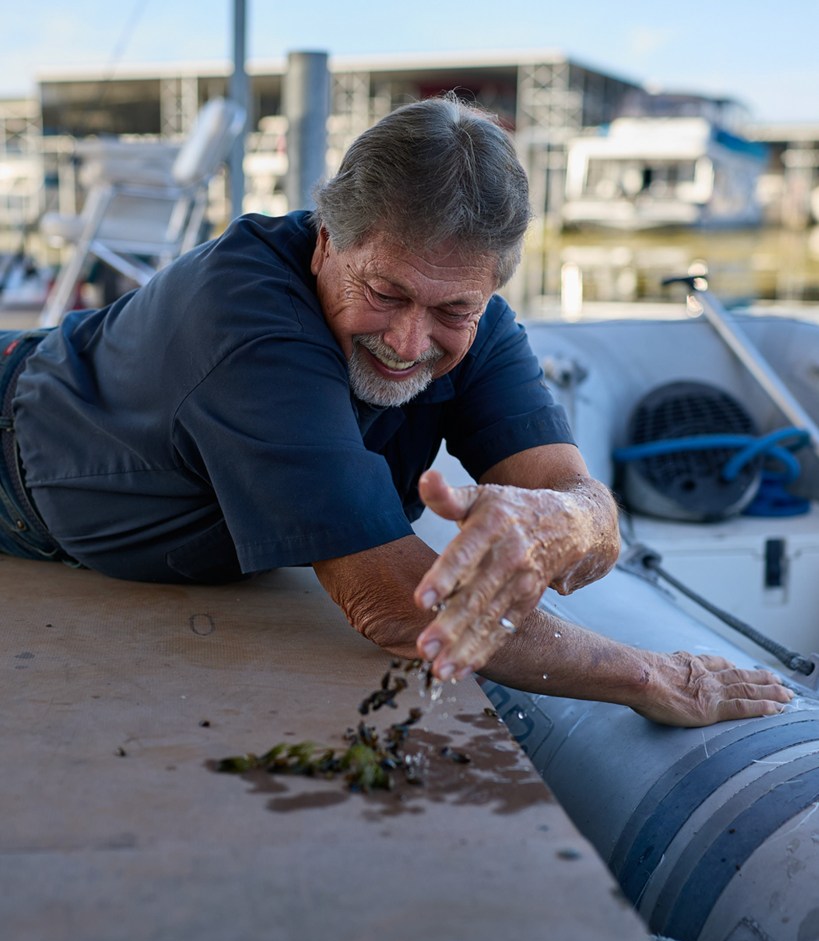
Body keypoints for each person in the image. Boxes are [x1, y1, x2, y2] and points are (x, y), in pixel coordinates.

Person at [1, 95, 792, 727]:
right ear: (324, 242)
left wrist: (567, 520)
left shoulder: (478, 327)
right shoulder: (243, 324)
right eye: (384, 293)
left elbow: (580, 507)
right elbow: (390, 603)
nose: (409, 341)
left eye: (453, 308)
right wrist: (653, 676)